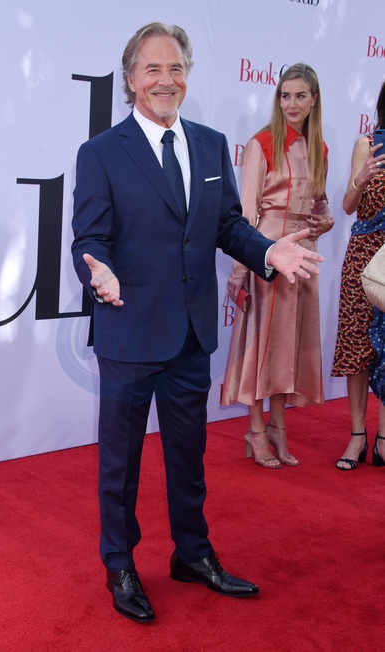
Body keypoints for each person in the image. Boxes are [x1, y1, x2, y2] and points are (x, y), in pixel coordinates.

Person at [71, 24, 323, 623]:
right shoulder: (100, 152)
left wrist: (267, 251)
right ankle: (120, 564)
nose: (166, 80)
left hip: (190, 335)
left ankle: (192, 553)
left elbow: (227, 224)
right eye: (153, 69)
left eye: (176, 68)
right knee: (120, 464)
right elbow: (89, 239)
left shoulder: (210, 146)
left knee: (189, 457)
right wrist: (98, 274)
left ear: (187, 76)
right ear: (130, 79)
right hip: (129, 331)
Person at [221, 64, 334, 469]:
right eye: (285, 95)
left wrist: (325, 219)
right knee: (261, 347)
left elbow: (320, 203)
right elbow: (245, 214)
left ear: (314, 100)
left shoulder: (319, 148)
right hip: (266, 254)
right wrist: (241, 272)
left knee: (289, 350)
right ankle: (255, 429)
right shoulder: (262, 143)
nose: (291, 103)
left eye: (300, 96)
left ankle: (278, 428)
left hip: (302, 258)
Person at [331, 81, 385, 471]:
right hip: (363, 258)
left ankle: (383, 440)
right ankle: (357, 437)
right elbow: (348, 206)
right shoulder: (367, 145)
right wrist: (361, 177)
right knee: (355, 347)